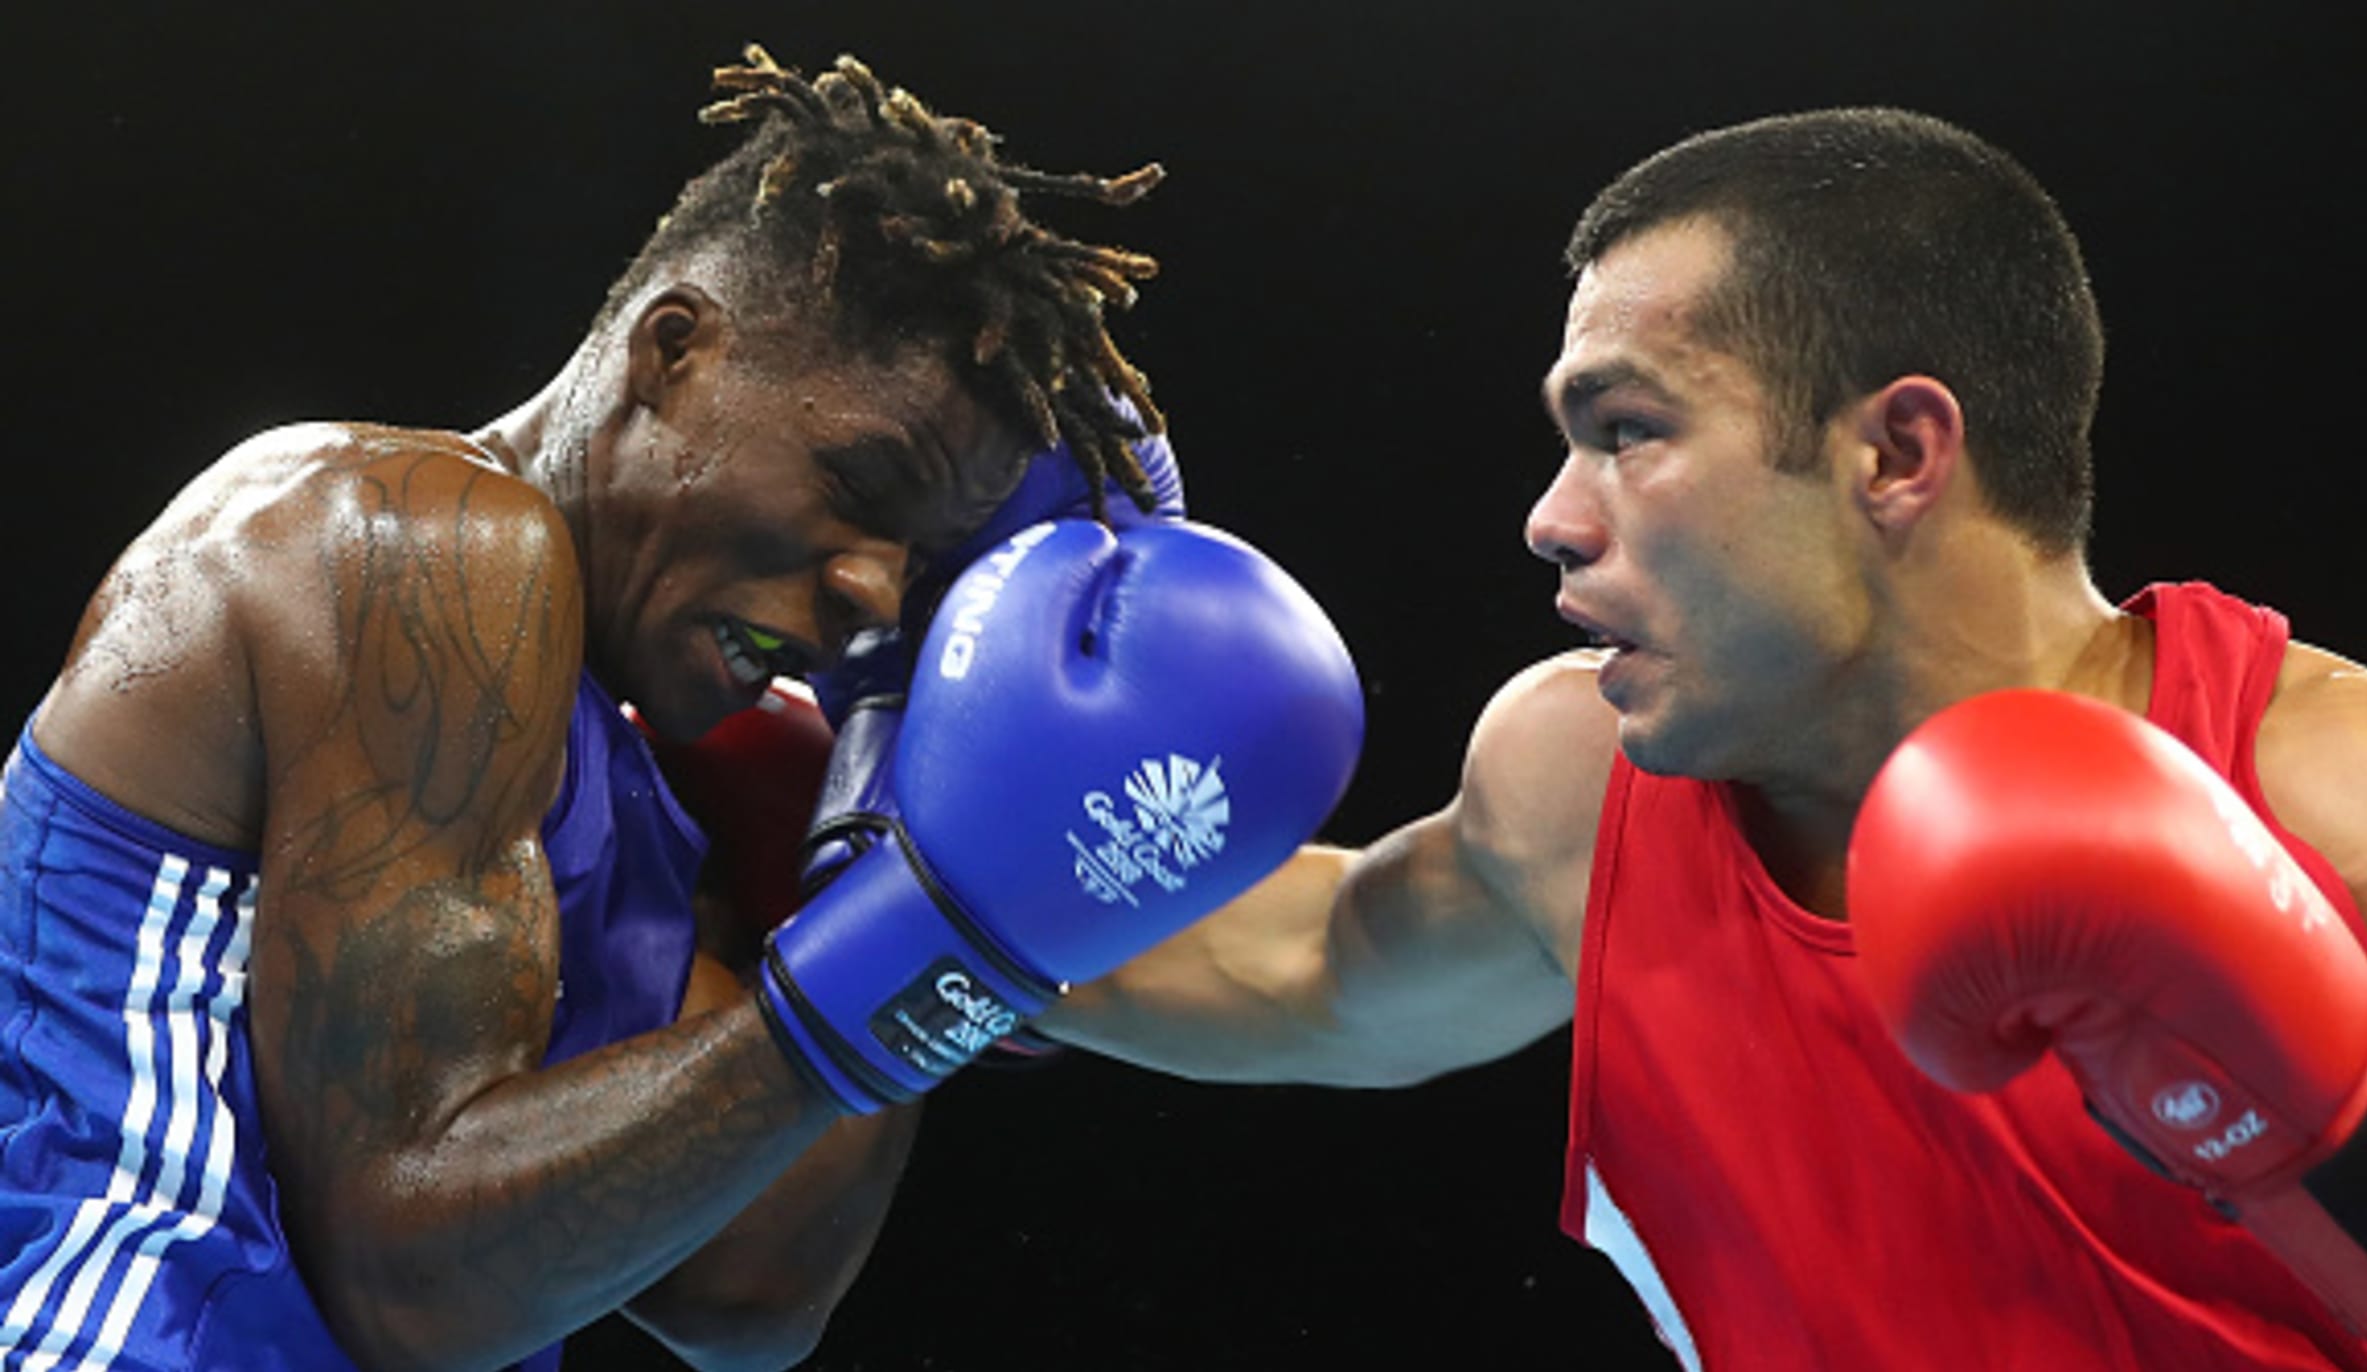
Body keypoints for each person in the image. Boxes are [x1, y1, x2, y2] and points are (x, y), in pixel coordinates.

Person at [0, 42, 1363, 1372]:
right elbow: (410, 1289)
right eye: (863, 490)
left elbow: (748, 1288)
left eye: (921, 564)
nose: (875, 593)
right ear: (676, 351)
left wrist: (895, 873)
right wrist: (917, 953)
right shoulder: (419, 537)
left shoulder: (638, 786)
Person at [1040, 106, 2367, 1369]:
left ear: (1895, 455)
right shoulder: (1580, 790)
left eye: (1630, 429)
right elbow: (1316, 969)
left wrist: (2354, 1152)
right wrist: (901, 895)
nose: (1553, 519)